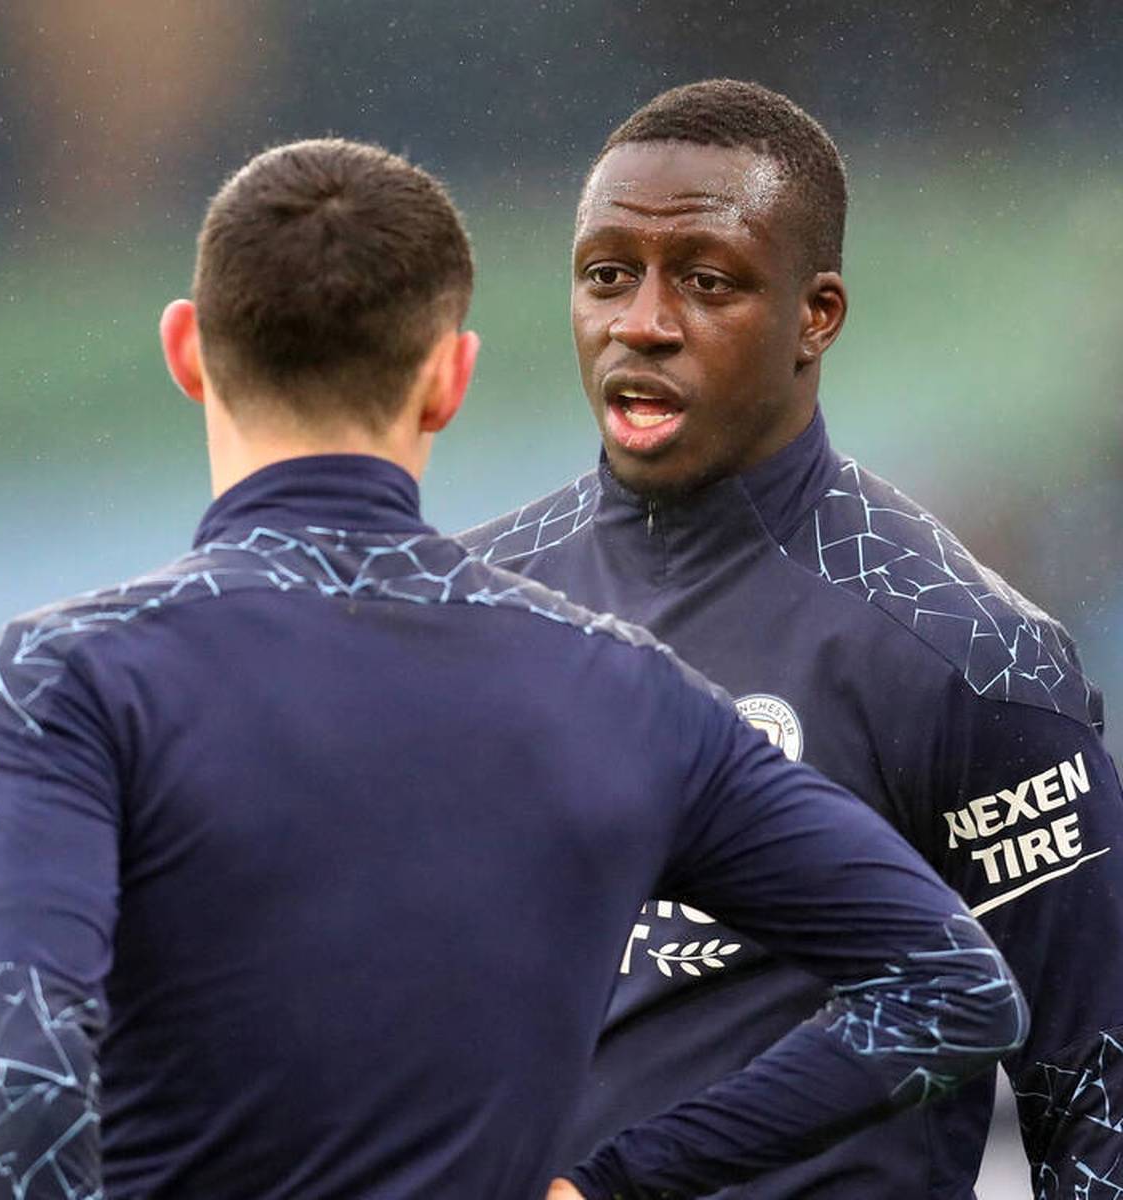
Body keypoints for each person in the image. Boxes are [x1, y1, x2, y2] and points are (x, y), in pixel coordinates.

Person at [0, 136, 1023, 1200]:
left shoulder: (68, 681)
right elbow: (954, 989)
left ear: (186, 351)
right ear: (450, 376)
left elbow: (25, 1091)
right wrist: (618, 1184)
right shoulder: (623, 690)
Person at [459, 80, 1123, 1198]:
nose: (641, 323)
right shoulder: (466, 608)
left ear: (816, 316)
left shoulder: (968, 655)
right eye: (608, 275)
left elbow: (1100, 1095)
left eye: (706, 281)